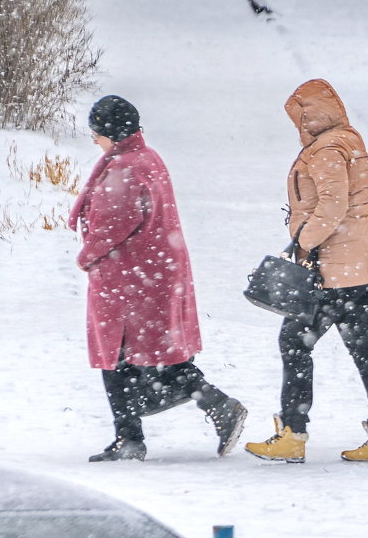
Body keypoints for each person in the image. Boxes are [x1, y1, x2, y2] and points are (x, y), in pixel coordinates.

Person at [69, 95, 247, 462]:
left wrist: (87, 256)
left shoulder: (125, 167)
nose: (93, 140)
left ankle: (133, 436)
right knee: (154, 356)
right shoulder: (144, 158)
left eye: (96, 132)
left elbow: (113, 224)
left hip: (130, 278)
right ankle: (211, 406)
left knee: (119, 359)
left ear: (110, 133)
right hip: (150, 273)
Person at [244, 79, 368, 464]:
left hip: (340, 268)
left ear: (310, 115)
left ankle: (293, 435)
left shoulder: (327, 149)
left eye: (299, 117)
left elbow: (332, 206)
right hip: (365, 263)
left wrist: (302, 242)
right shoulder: (347, 139)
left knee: (295, 342)